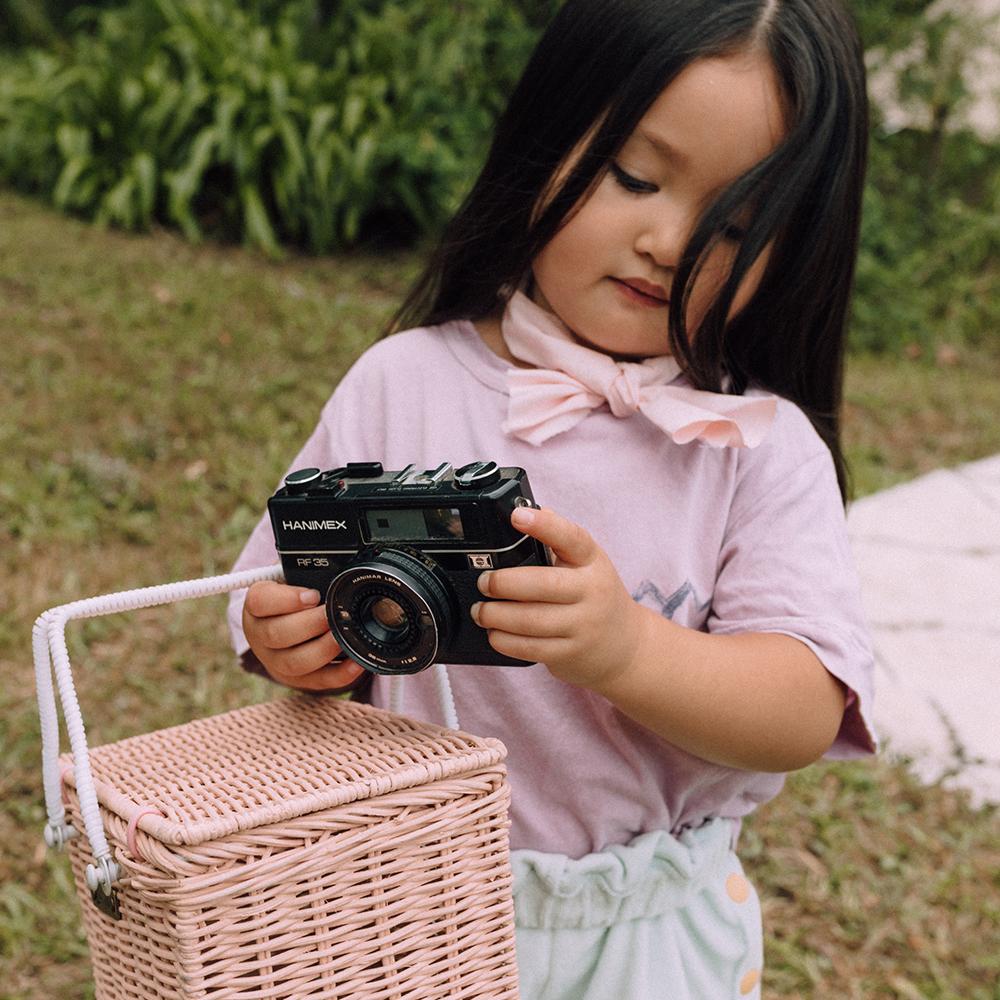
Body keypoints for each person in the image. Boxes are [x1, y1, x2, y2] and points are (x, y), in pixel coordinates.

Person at [226, 1, 878, 996]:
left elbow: (800, 704)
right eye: (634, 177)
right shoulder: (404, 384)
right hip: (404, 909)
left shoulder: (757, 448)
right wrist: (289, 638)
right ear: (546, 138)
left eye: (738, 220)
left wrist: (626, 647)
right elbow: (275, 589)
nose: (670, 240)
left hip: (640, 933)